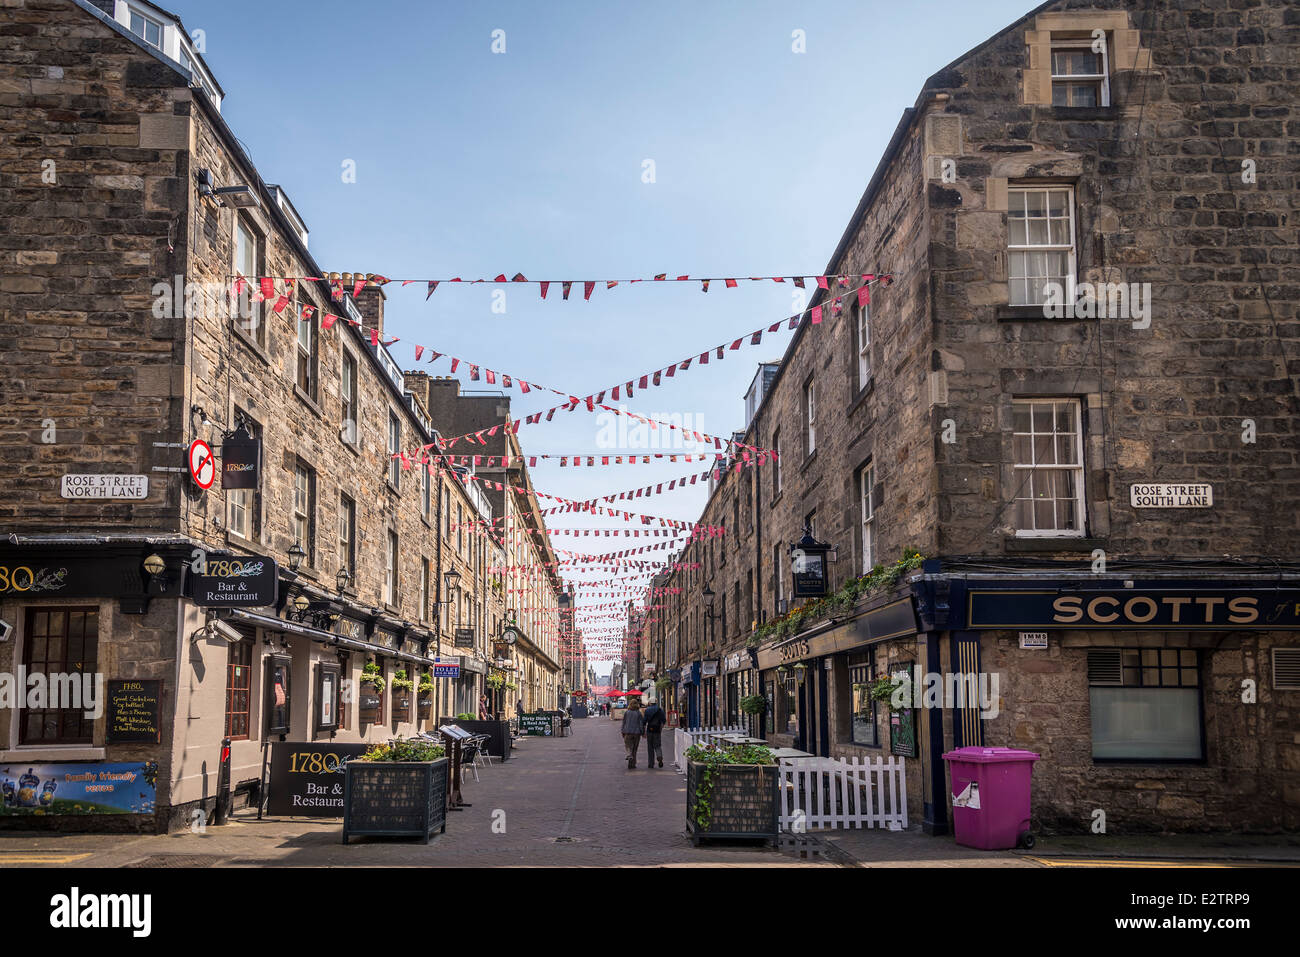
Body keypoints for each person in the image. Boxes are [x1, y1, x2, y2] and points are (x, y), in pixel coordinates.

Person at [620, 697, 645, 769]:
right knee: (635, 749)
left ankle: (629, 755)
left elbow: (624, 722)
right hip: (636, 733)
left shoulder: (627, 712)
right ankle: (632, 764)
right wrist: (642, 732)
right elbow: (641, 724)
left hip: (627, 732)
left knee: (628, 746)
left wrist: (622, 731)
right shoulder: (638, 713)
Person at [642, 698, 667, 769]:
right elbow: (663, 721)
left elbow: (644, 722)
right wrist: (661, 728)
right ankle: (659, 756)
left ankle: (651, 764)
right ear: (656, 702)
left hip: (650, 730)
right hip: (657, 730)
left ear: (650, 703)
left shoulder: (647, 710)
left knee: (650, 747)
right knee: (658, 745)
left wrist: (643, 732)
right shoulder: (660, 710)